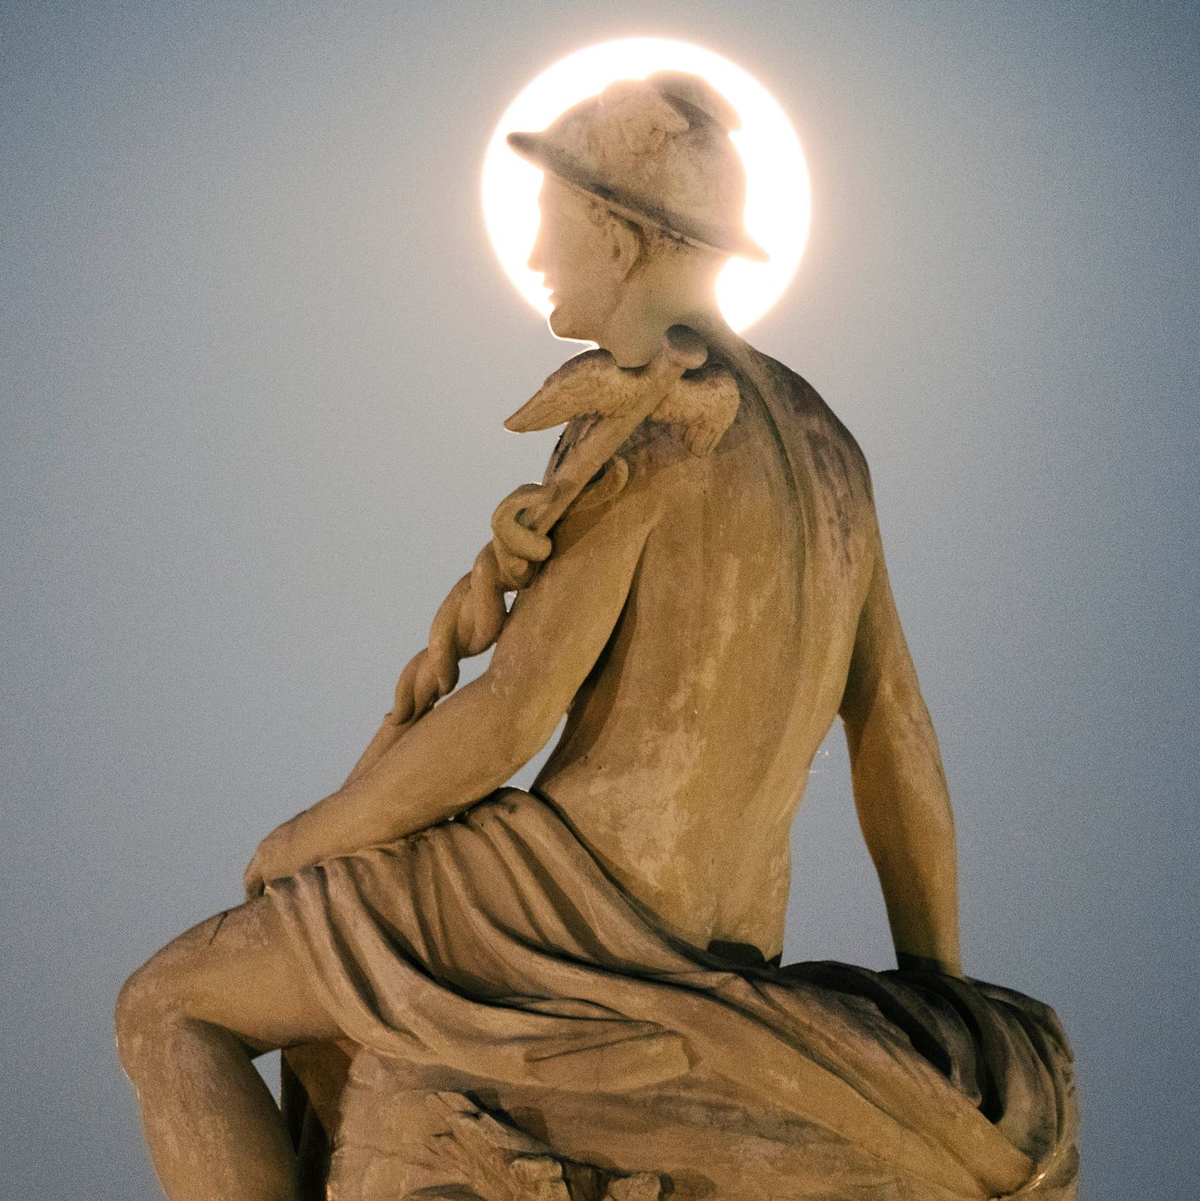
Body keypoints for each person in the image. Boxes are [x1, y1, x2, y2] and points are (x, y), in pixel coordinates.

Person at [116, 73, 1075, 1201]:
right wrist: (935, 979)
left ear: (618, 234)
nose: (530, 247)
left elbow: (508, 718)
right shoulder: (827, 444)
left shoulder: (649, 412)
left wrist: (305, 837)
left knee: (168, 1006)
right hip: (727, 930)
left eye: (548, 215)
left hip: (567, 900)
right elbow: (894, 730)